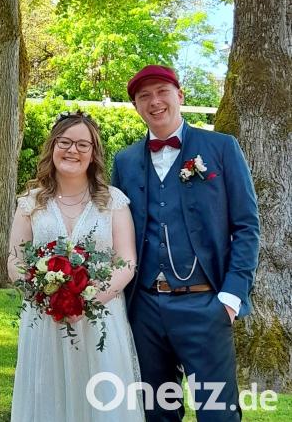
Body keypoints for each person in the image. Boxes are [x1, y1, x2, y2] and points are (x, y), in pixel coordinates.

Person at [111, 65, 260, 422]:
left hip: (206, 302)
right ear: (135, 106)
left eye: (162, 91)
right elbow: (116, 229)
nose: (154, 101)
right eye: (143, 96)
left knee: (218, 412)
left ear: (180, 96)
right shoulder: (125, 160)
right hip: (144, 307)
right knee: (157, 412)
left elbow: (246, 226)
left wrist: (230, 296)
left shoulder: (221, 148)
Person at [8, 112, 144, 421]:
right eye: (65, 142)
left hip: (99, 319)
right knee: (47, 393)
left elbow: (126, 262)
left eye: (83, 144)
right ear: (52, 147)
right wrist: (42, 295)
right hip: (45, 320)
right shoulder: (31, 202)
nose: (73, 150)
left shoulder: (113, 202)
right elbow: (14, 259)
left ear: (94, 153)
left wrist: (87, 300)